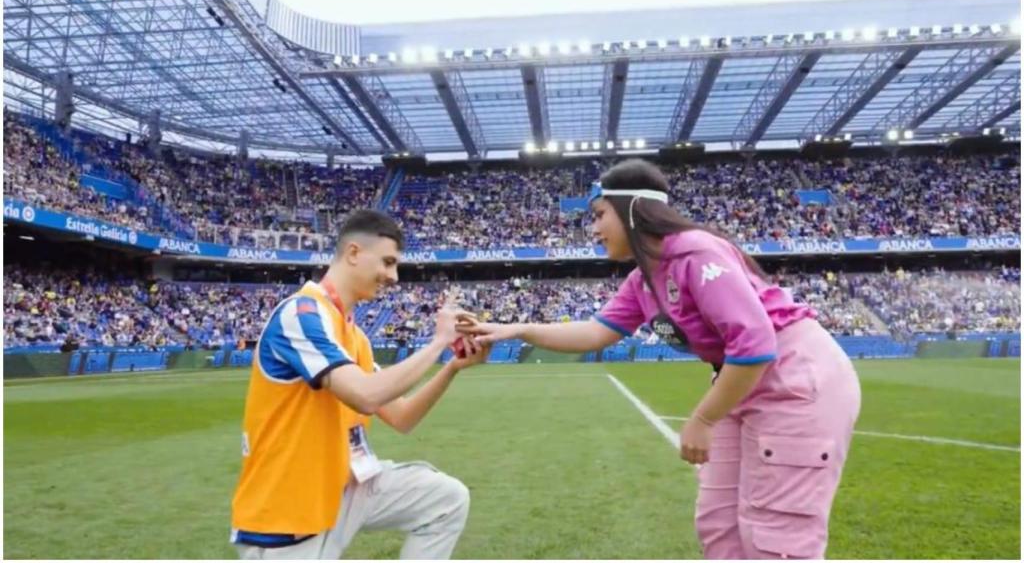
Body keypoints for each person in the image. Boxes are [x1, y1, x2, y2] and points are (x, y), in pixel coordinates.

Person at [460, 160, 861, 559]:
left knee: (775, 535)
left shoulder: (696, 251)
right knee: (718, 523)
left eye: (600, 215)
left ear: (633, 209)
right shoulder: (644, 278)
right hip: (740, 381)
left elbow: (754, 343)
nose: (594, 229)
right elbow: (595, 332)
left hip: (793, 380)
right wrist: (515, 329)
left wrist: (703, 419)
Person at [230, 209, 489, 560]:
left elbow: (402, 417)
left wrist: (452, 367)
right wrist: (438, 342)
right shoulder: (301, 314)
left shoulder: (354, 335)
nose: (393, 276)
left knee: (446, 499)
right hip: (288, 514)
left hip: (345, 487)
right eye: (387, 262)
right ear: (353, 253)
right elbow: (366, 396)